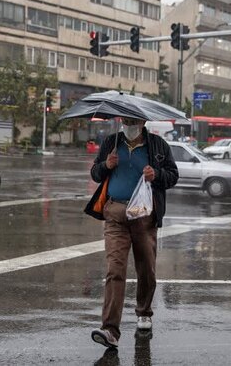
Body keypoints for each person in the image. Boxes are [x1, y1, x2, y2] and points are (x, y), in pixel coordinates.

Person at [85, 117, 179, 349]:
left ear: (143, 121)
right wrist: (106, 165)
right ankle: (110, 330)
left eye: (133, 120)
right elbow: (95, 173)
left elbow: (173, 175)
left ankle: (144, 311)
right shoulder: (111, 142)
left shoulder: (157, 145)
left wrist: (155, 175)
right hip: (115, 213)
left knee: (146, 267)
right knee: (114, 270)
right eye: (125, 120)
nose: (129, 124)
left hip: (144, 215)